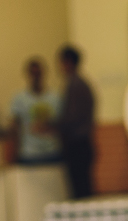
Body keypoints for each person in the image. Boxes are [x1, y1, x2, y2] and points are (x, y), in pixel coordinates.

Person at [55, 44, 96, 198]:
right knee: (82, 188)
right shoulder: (79, 84)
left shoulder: (76, 85)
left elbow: (72, 118)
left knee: (81, 191)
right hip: (81, 144)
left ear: (68, 62)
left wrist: (52, 126)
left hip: (78, 146)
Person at [9, 57, 62, 164]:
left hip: (53, 153)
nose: (36, 77)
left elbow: (62, 125)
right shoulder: (19, 99)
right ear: (27, 75)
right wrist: (13, 154)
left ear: (44, 74)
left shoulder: (56, 98)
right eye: (33, 73)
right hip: (29, 154)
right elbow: (14, 127)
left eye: (38, 73)